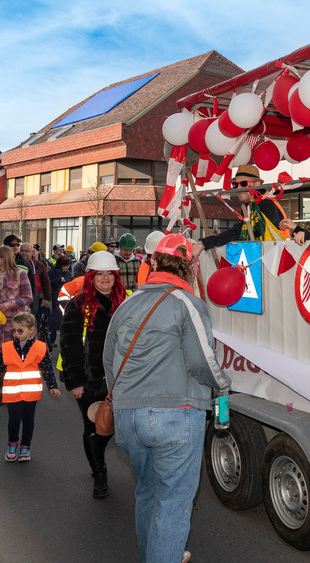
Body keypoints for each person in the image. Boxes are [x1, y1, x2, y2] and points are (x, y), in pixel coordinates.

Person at [104, 233, 231, 563]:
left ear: (153, 261)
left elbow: (108, 360)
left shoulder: (127, 303)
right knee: (173, 502)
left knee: (147, 490)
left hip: (129, 417)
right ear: (190, 267)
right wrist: (223, 385)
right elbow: (203, 361)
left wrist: (123, 401)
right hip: (176, 415)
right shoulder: (188, 303)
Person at [59, 250, 128, 498]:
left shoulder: (126, 301)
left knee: (111, 426)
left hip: (120, 379)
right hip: (90, 379)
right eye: (100, 274)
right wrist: (75, 380)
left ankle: (97, 456)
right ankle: (99, 471)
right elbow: (69, 343)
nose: (106, 279)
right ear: (91, 277)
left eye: (110, 274)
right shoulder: (79, 304)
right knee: (93, 425)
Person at [0, 312, 59, 462]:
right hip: (12, 392)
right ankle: (12, 445)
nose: (16, 334)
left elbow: (47, 368)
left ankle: (25, 447)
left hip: (31, 393)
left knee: (28, 421)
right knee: (13, 420)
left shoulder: (40, 347)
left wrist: (52, 385)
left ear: (31, 330)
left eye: (20, 330)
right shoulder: (6, 347)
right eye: (13, 330)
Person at [192, 165, 288, 255]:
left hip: (278, 256)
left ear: (257, 184)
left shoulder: (266, 204)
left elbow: (239, 230)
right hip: (264, 254)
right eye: (235, 185)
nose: (238, 189)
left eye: (243, 184)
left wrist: (206, 242)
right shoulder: (249, 205)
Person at [0, 246, 33, 406]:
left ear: (4, 258)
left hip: (16, 324)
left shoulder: (21, 274)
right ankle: (5, 393)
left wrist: (11, 304)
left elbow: (28, 298)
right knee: (0, 359)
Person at [47, 254, 74, 339]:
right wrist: (59, 280)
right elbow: (48, 283)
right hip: (53, 297)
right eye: (65, 265)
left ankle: (64, 337)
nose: (67, 267)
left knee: (64, 318)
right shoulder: (51, 272)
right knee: (53, 318)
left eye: (68, 265)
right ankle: (52, 338)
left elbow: (69, 282)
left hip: (65, 298)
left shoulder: (68, 273)